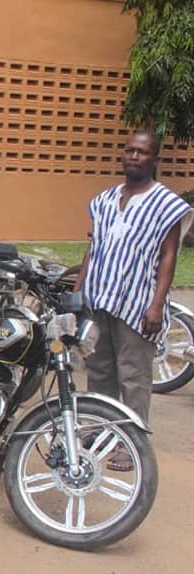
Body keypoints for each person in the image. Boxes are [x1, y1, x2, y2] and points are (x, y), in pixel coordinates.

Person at [74, 132, 191, 471]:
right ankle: (99, 431)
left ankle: (131, 444)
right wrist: (79, 292)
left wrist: (156, 304)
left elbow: (169, 256)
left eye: (143, 152)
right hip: (100, 298)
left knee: (134, 376)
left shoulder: (166, 204)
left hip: (137, 303)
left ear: (155, 160)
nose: (134, 157)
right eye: (130, 151)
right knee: (99, 371)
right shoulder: (105, 200)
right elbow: (92, 248)